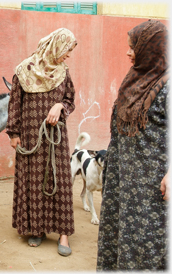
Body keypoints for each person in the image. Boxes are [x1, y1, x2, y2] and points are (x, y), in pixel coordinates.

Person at [96, 20, 169, 271]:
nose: (128, 52)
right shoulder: (135, 77)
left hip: (149, 187)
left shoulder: (167, 86)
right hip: (122, 179)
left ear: (150, 48)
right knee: (116, 235)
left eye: (133, 47)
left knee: (145, 243)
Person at [6, 28, 77, 257]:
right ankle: (36, 229)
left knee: (61, 181)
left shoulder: (63, 73)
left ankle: (64, 234)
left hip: (56, 138)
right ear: (54, 45)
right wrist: (14, 134)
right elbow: (15, 104)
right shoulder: (23, 70)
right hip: (30, 136)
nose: (67, 56)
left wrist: (60, 106)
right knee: (34, 182)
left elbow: (70, 100)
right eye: (66, 51)